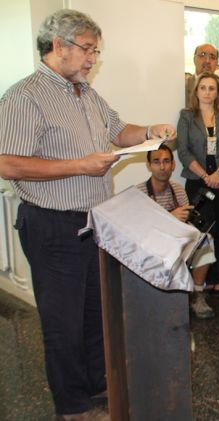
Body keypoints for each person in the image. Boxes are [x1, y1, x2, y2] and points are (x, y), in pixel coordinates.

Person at [0, 9, 175, 420]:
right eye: (87, 50)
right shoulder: (25, 96)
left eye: (95, 51)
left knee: (95, 312)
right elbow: (8, 164)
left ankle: (97, 384)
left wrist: (149, 132)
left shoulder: (85, 93)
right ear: (58, 46)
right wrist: (79, 166)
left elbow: (119, 132)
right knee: (62, 320)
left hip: (92, 220)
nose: (92, 59)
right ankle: (72, 405)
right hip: (52, 223)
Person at [177, 72, 219, 294]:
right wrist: (206, 176)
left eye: (211, 88)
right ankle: (198, 280)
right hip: (197, 180)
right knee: (199, 230)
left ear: (218, 92)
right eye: (203, 88)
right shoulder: (187, 116)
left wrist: (218, 173)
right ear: (196, 91)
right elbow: (184, 151)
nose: (207, 92)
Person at [137, 145, 217, 319]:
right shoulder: (140, 193)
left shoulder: (178, 190)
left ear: (173, 165)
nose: (162, 167)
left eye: (166, 161)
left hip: (176, 239)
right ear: (148, 166)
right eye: (156, 162)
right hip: (153, 246)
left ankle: (196, 294)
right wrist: (170, 216)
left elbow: (186, 225)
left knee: (205, 239)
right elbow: (140, 230)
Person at [185, 43, 219, 111]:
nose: (207, 61)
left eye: (212, 57)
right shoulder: (183, 86)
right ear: (194, 59)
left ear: (217, 62)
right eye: (202, 55)